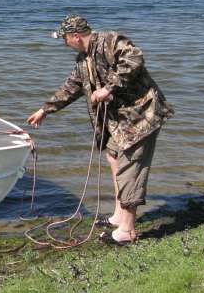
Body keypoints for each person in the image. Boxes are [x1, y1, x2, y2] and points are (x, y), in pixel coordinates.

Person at [27, 15, 173, 244]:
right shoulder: (83, 60)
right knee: (113, 155)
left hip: (142, 115)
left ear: (75, 36)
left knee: (130, 169)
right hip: (119, 121)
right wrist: (45, 110)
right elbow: (71, 87)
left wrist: (107, 88)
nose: (63, 43)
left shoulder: (111, 40)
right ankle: (118, 215)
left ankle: (127, 231)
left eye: (64, 38)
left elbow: (135, 59)